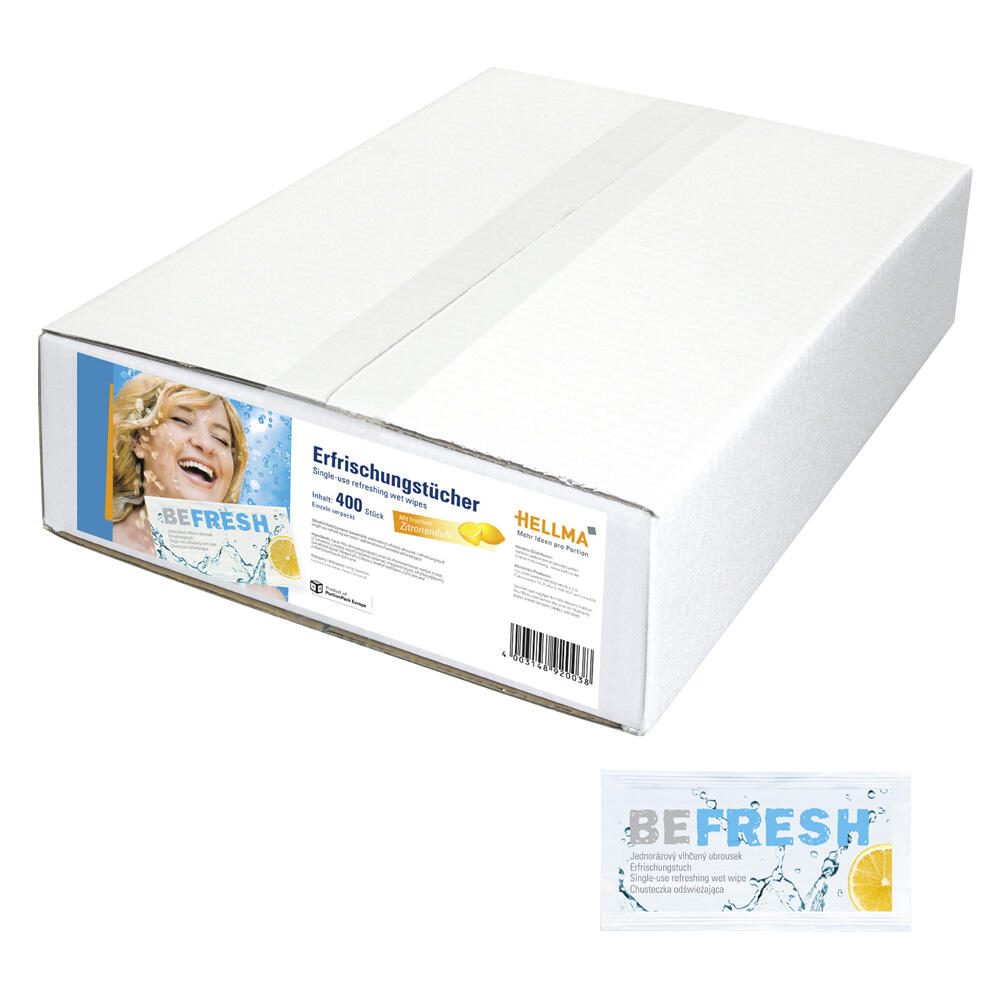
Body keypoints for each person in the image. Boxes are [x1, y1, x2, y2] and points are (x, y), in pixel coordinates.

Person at [110, 374, 284, 600]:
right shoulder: (93, 535)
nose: (206, 444)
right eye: (182, 420)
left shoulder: (259, 593)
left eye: (221, 439)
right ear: (138, 440)